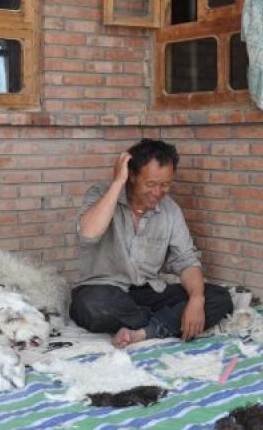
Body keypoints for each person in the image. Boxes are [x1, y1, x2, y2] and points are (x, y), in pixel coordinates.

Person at [69, 139, 234, 348]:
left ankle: (144, 331)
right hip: (103, 290)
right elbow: (88, 233)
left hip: (148, 292)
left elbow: (186, 260)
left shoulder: (170, 210)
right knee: (92, 306)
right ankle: (166, 322)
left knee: (218, 297)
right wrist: (117, 183)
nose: (158, 192)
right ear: (132, 176)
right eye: (151, 184)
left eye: (165, 185)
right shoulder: (101, 194)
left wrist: (196, 300)